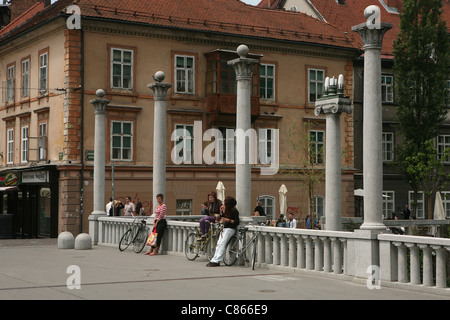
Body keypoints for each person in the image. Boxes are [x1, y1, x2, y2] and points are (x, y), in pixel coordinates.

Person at [206, 196, 239, 267]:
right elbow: (219, 218)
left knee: (222, 244)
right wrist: (221, 212)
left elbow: (236, 222)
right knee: (219, 243)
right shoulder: (227, 210)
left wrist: (227, 220)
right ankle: (214, 259)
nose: (224, 204)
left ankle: (217, 260)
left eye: (225, 202)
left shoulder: (234, 210)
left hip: (230, 229)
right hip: (225, 228)